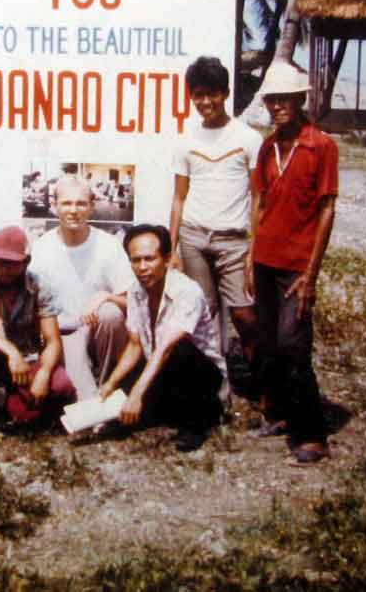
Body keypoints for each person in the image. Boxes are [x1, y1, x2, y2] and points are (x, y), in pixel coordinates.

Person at [245, 60, 338, 466]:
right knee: (267, 345)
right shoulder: (267, 146)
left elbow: (327, 209)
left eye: (285, 98)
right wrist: (251, 256)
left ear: (300, 100)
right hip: (265, 260)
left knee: (293, 346)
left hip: (297, 266)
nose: (278, 105)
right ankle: (280, 414)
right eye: (272, 99)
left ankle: (313, 434)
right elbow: (260, 202)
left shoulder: (321, 145)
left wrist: (311, 274)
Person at [170, 56, 262, 374]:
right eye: (198, 95)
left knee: (245, 317)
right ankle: (214, 385)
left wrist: (254, 249)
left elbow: (258, 197)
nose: (205, 102)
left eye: (212, 94)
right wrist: (172, 250)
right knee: (204, 312)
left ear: (224, 93)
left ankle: (264, 389)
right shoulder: (186, 140)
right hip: (193, 237)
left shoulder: (248, 138)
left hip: (234, 241)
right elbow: (179, 198)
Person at [100, 224, 226, 452]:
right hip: (161, 366)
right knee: (123, 390)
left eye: (149, 259)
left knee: (180, 351)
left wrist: (137, 394)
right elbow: (135, 346)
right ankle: (154, 411)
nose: (142, 267)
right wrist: (109, 384)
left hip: (198, 370)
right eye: (135, 260)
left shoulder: (187, 290)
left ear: (167, 259)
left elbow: (166, 348)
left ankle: (198, 422)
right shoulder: (136, 290)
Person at [0, 226, 75, 445]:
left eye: (12, 263)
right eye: (0, 261)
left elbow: (52, 340)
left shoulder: (40, 284)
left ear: (26, 262)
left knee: (60, 387)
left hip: (26, 361)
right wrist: (10, 352)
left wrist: (44, 373)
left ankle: (0, 403)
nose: (5, 268)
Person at [30, 175, 133, 399]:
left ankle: (110, 385)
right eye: (66, 203)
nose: (73, 210)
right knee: (82, 396)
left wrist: (106, 297)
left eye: (81, 203)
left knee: (111, 313)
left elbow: (130, 302)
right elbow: (33, 303)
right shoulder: (41, 248)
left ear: (91, 207)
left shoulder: (109, 245)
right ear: (54, 206)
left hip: (98, 329)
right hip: (63, 333)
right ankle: (94, 400)